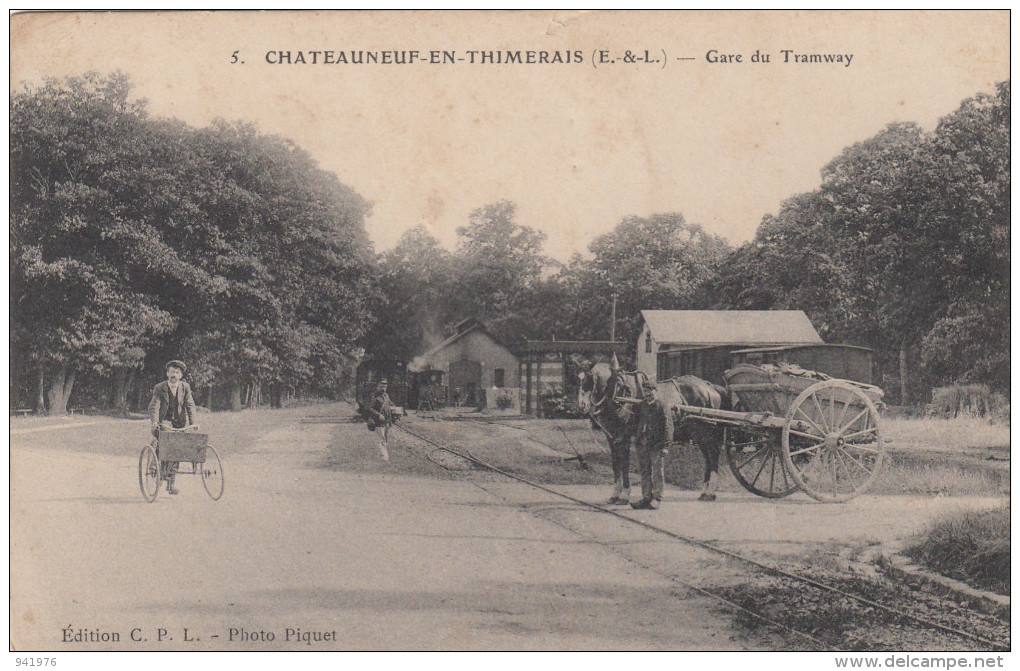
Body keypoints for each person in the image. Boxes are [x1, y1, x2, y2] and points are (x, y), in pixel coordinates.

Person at [149, 359, 197, 495]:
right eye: (171, 372)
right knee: (166, 439)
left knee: (177, 448)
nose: (174, 375)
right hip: (163, 422)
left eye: (177, 372)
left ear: (181, 375)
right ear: (167, 373)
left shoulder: (185, 387)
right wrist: (155, 421)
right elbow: (154, 406)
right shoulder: (160, 388)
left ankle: (171, 484)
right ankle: (156, 466)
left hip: (179, 423)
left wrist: (193, 423)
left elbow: (190, 405)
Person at [632, 378, 673, 510]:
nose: (648, 394)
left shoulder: (662, 406)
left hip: (656, 444)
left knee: (657, 472)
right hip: (642, 443)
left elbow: (668, 427)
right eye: (645, 391)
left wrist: (666, 446)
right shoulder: (641, 405)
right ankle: (646, 497)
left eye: (650, 391)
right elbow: (634, 423)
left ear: (656, 391)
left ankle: (657, 498)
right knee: (644, 472)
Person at [370, 379, 393, 462]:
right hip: (379, 422)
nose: (383, 387)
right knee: (381, 439)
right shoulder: (375, 396)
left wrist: (396, 409)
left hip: (387, 421)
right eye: (382, 386)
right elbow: (370, 408)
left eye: (385, 386)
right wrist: (378, 414)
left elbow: (390, 404)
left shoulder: (387, 396)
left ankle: (381, 455)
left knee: (385, 438)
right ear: (378, 387)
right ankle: (384, 458)